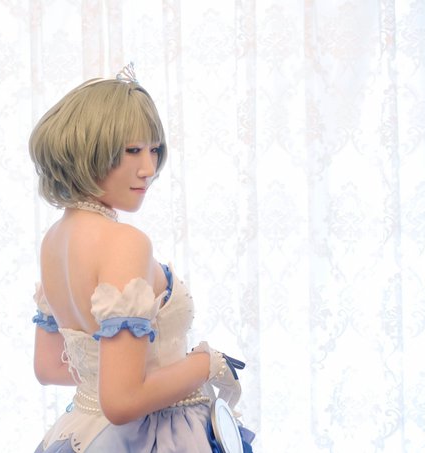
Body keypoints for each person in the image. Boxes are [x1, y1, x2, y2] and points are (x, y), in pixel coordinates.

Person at [29, 63, 255, 453]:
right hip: (154, 437)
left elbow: (50, 367)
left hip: (82, 432)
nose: (148, 169)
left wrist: (113, 376)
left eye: (154, 150)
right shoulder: (124, 242)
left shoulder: (54, 240)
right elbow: (122, 403)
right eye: (132, 150)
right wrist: (206, 364)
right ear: (87, 149)